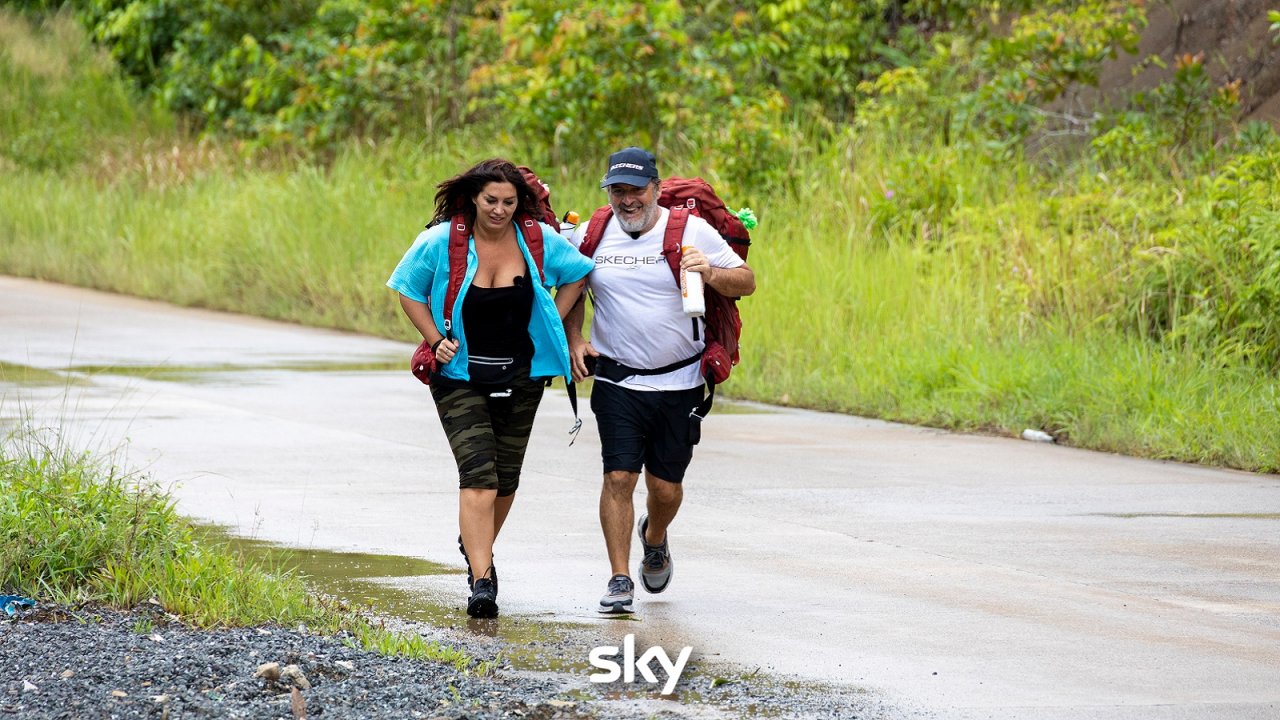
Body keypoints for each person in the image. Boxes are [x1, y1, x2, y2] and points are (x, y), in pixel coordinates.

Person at [387, 158, 592, 619]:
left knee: (506, 479)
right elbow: (407, 288)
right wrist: (434, 340)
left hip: (523, 375)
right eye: (491, 200)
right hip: (458, 376)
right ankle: (482, 580)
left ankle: (474, 540)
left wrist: (550, 321)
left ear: (520, 204)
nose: (499, 210)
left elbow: (578, 273)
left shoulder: (536, 240)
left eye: (509, 202)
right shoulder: (443, 241)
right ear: (474, 199)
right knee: (479, 475)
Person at [565, 147, 756, 613]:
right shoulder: (591, 233)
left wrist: (709, 272)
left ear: (655, 189)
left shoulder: (690, 230)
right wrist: (574, 340)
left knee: (665, 488)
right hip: (616, 380)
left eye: (635, 190)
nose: (626, 200)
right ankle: (619, 579)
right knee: (618, 477)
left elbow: (746, 280)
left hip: (681, 381)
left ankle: (654, 536)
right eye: (617, 191)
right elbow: (570, 289)